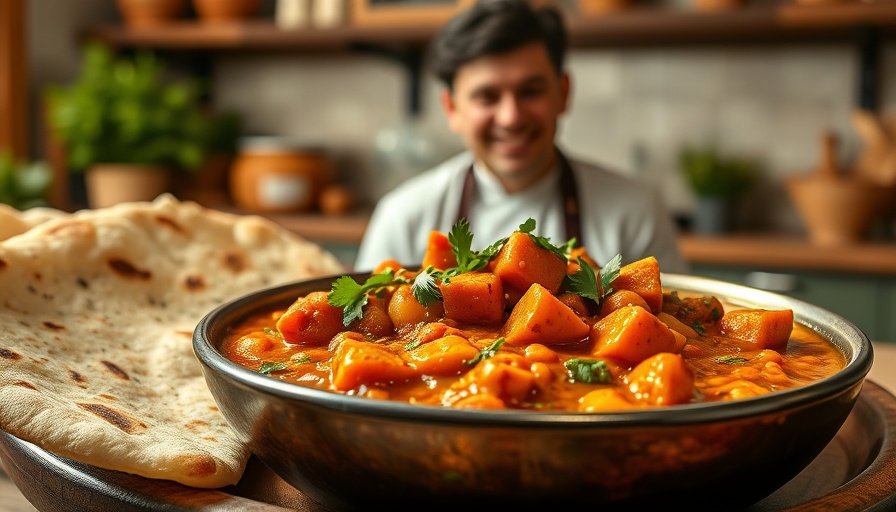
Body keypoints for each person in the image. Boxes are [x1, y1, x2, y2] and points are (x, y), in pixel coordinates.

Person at [354, 0, 688, 274]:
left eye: (530, 91)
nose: (511, 117)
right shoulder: (403, 217)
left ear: (563, 93)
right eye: (487, 97)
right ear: (452, 108)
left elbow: (677, 322)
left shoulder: (635, 211)